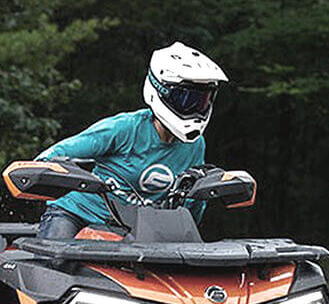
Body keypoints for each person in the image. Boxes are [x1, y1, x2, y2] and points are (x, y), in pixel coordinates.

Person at [35, 41, 228, 239]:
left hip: (138, 229)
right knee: (58, 261)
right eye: (188, 100)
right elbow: (51, 156)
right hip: (77, 215)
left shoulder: (194, 145)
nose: (196, 109)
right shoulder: (124, 129)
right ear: (162, 91)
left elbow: (191, 204)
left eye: (202, 101)